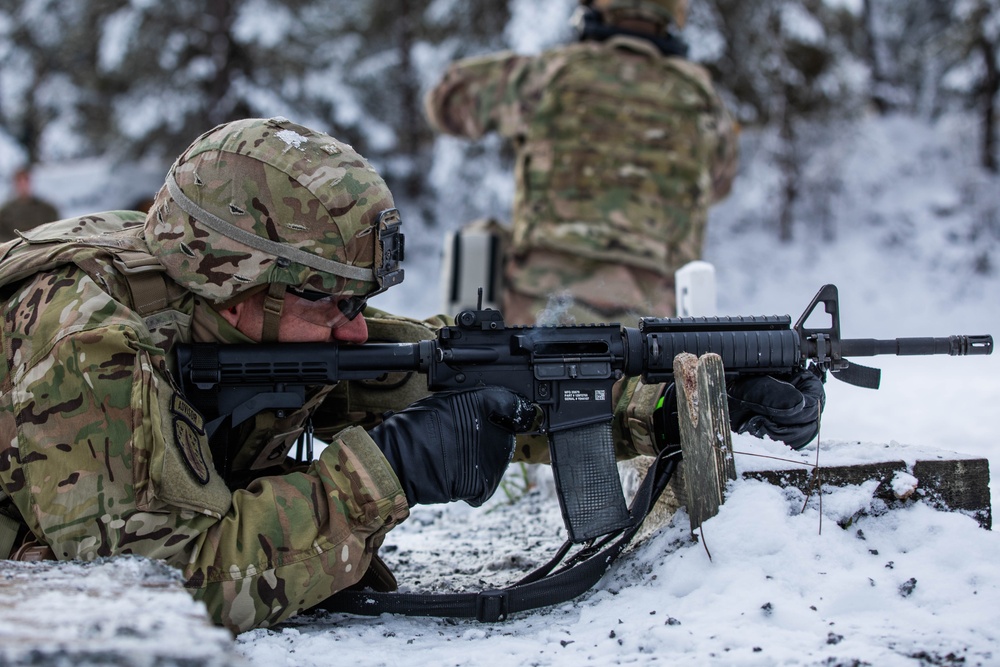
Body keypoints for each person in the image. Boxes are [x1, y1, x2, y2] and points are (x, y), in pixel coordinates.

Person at [0, 117, 822, 634]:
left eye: (361, 300)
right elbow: (169, 587)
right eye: (333, 301)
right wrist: (386, 472)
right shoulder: (84, 339)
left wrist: (668, 407)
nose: (356, 328)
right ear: (235, 281)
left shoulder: (240, 309)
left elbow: (455, 374)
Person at [425, 0, 739, 325]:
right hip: (652, 323)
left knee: (478, 244)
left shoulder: (551, 73)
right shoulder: (704, 102)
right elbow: (719, 184)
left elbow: (447, 102)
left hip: (539, 307)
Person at [0, 167, 61, 242]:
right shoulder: (5, 212)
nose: (23, 185)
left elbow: (57, 231)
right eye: (19, 182)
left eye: (25, 181)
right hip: (16, 250)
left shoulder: (46, 210)